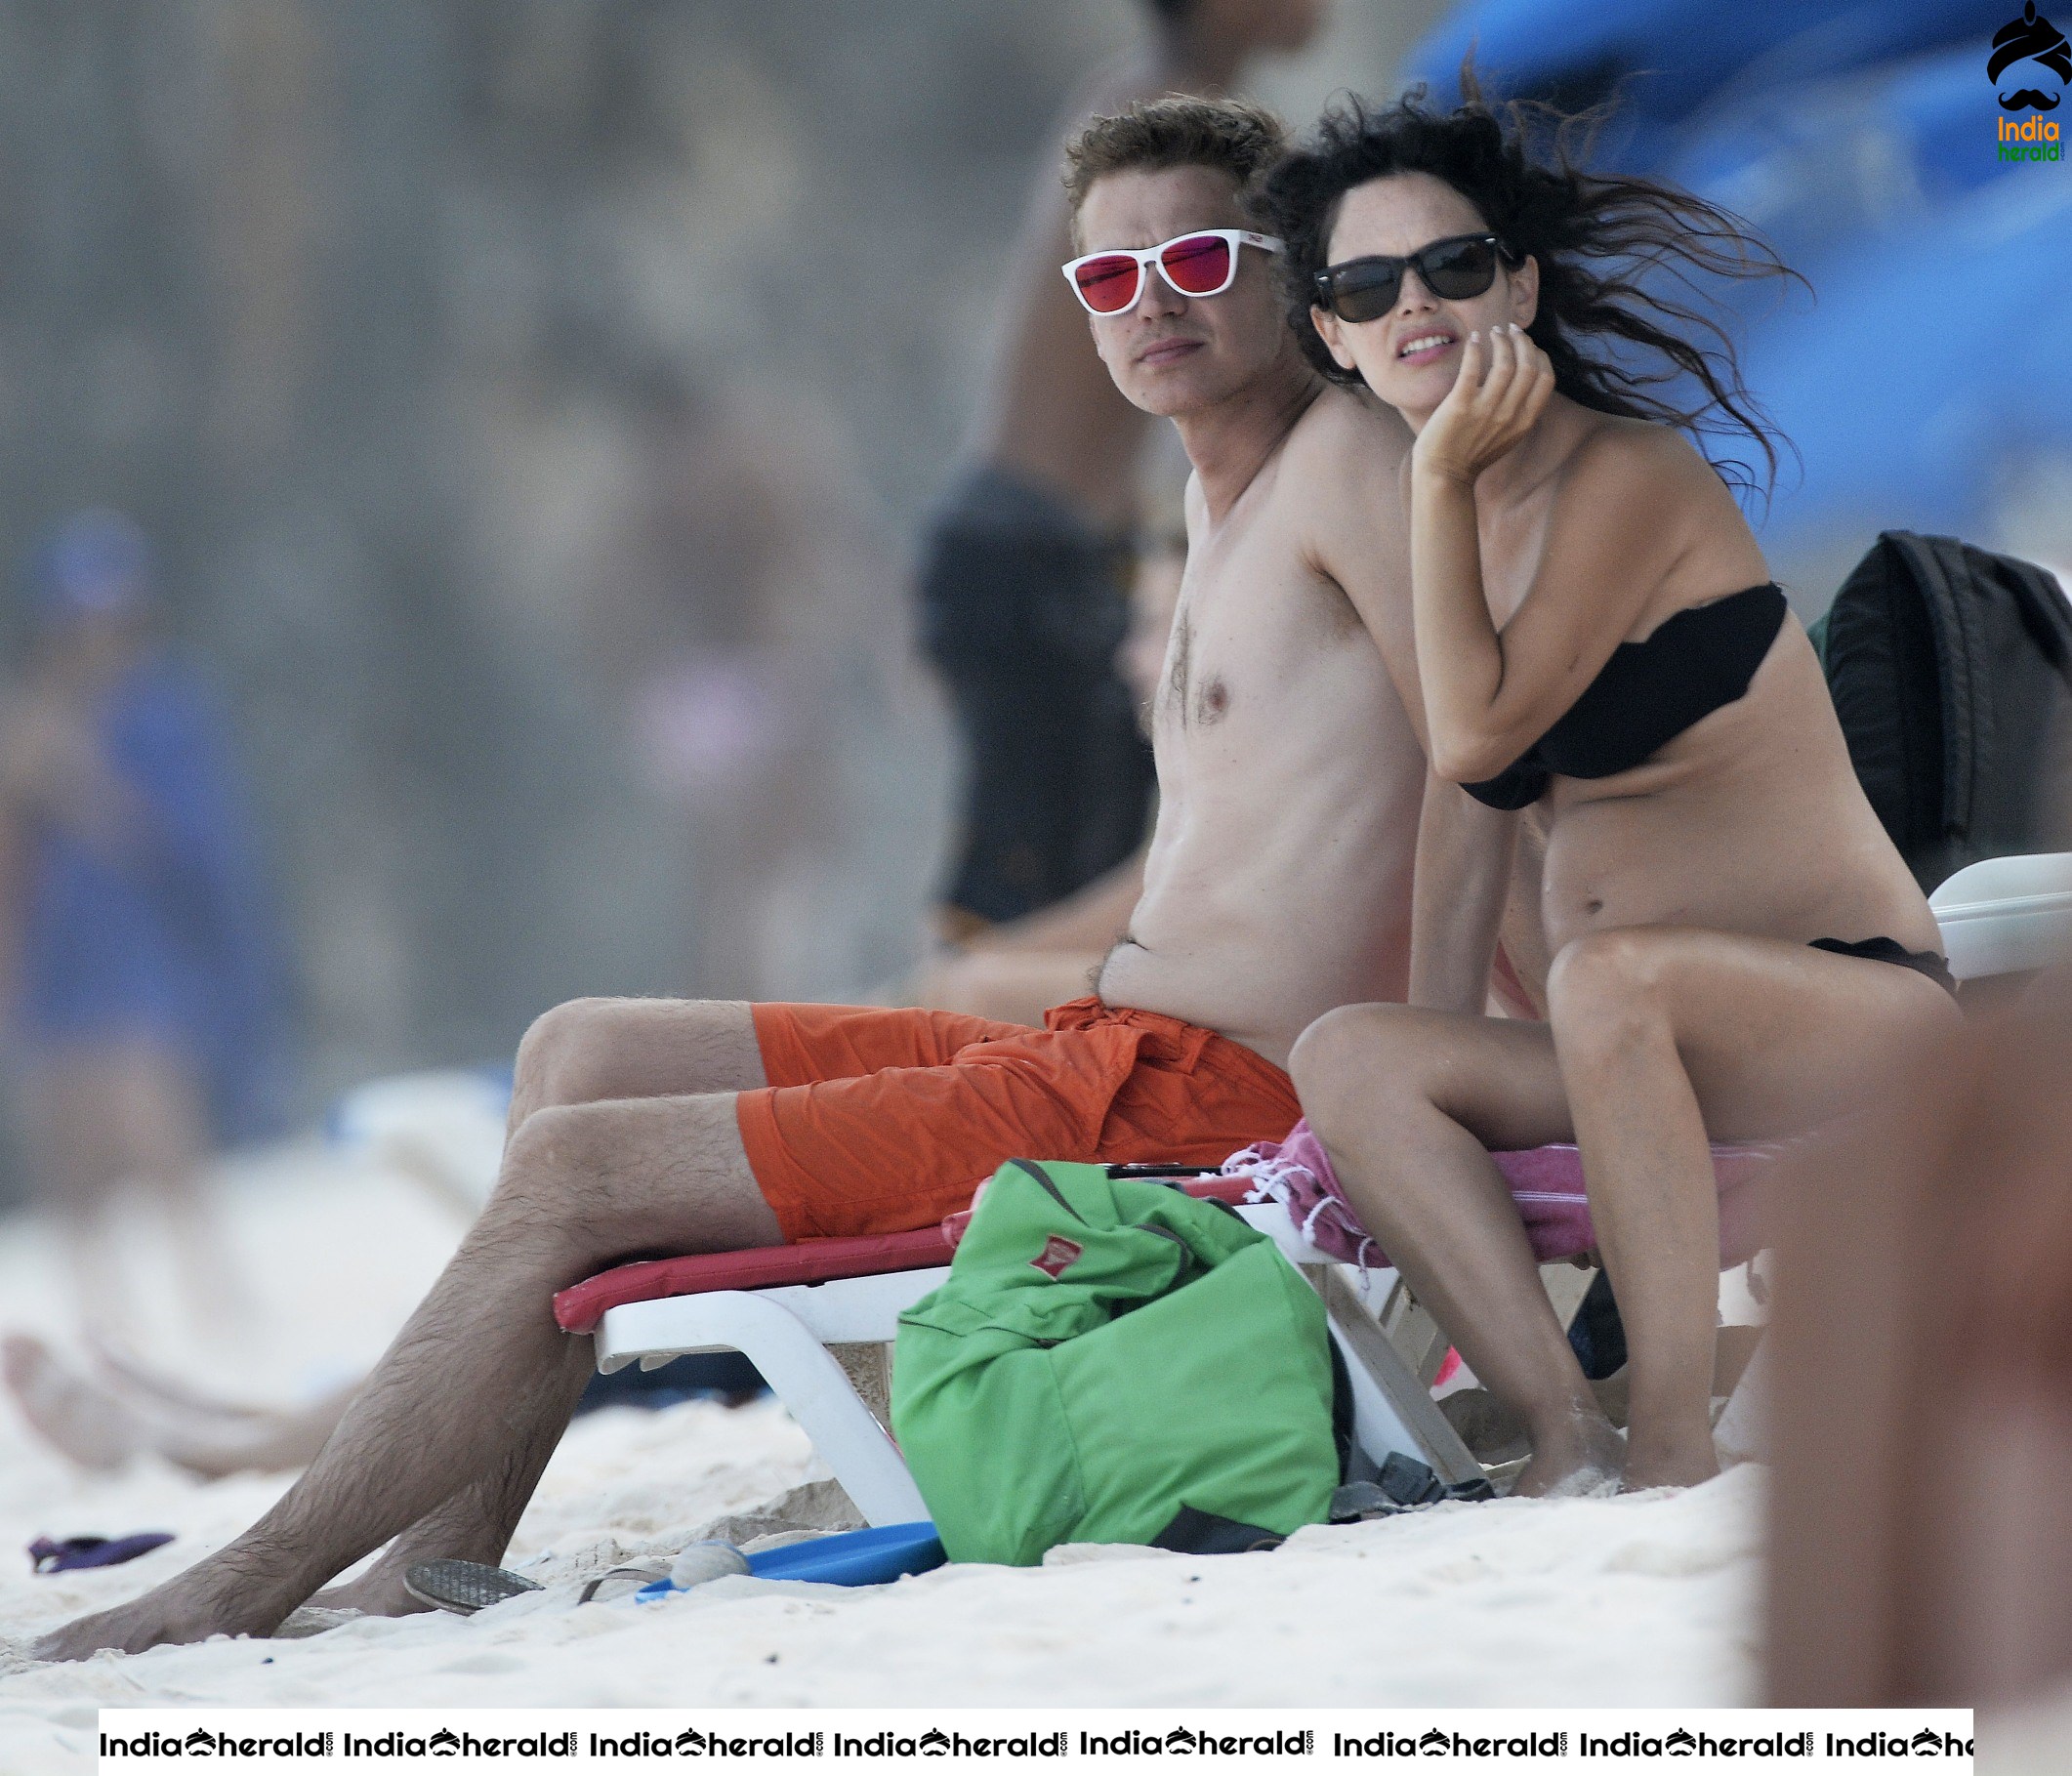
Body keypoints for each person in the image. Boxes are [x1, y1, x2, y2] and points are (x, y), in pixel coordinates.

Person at [35, 94, 1427, 1660]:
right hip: (1110, 1049)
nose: (1147, 301)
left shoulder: (1353, 470)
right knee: (579, 1047)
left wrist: (1455, 1076)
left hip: (1213, 1094)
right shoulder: (1209, 495)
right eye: (1106, 276)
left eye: (1189, 255)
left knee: (575, 1175)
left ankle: (232, 1581)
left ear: (1284, 264)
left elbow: (1493, 761)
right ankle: (440, 1547)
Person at [1253, 87, 1963, 1497]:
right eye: (1367, 284)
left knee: (1603, 979)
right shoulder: (1453, 519)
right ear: (1330, 334)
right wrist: (1436, 1052)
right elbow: (1468, 817)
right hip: (1632, 1039)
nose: (1419, 306)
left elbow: (1473, 739)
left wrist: (1439, 473)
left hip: (1839, 1008)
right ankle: (1568, 1418)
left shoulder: (1622, 474)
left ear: (1517, 283)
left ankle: (1680, 1437)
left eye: (1455, 266)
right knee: (1350, 1052)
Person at [922, 0, 1327, 939]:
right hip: (1035, 549)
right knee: (1028, 876)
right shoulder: (1170, 134)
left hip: (1042, 540)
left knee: (1066, 860)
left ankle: (958, 1044)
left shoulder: (1139, 105)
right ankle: (936, 1052)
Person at [0, 513, 286, 1326]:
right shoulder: (30, 716)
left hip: (142, 957)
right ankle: (101, 1317)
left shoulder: (168, 713)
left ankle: (217, 1298)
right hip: (57, 959)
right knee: (67, 1148)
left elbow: (193, 846)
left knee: (155, 1127)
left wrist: (76, 781)